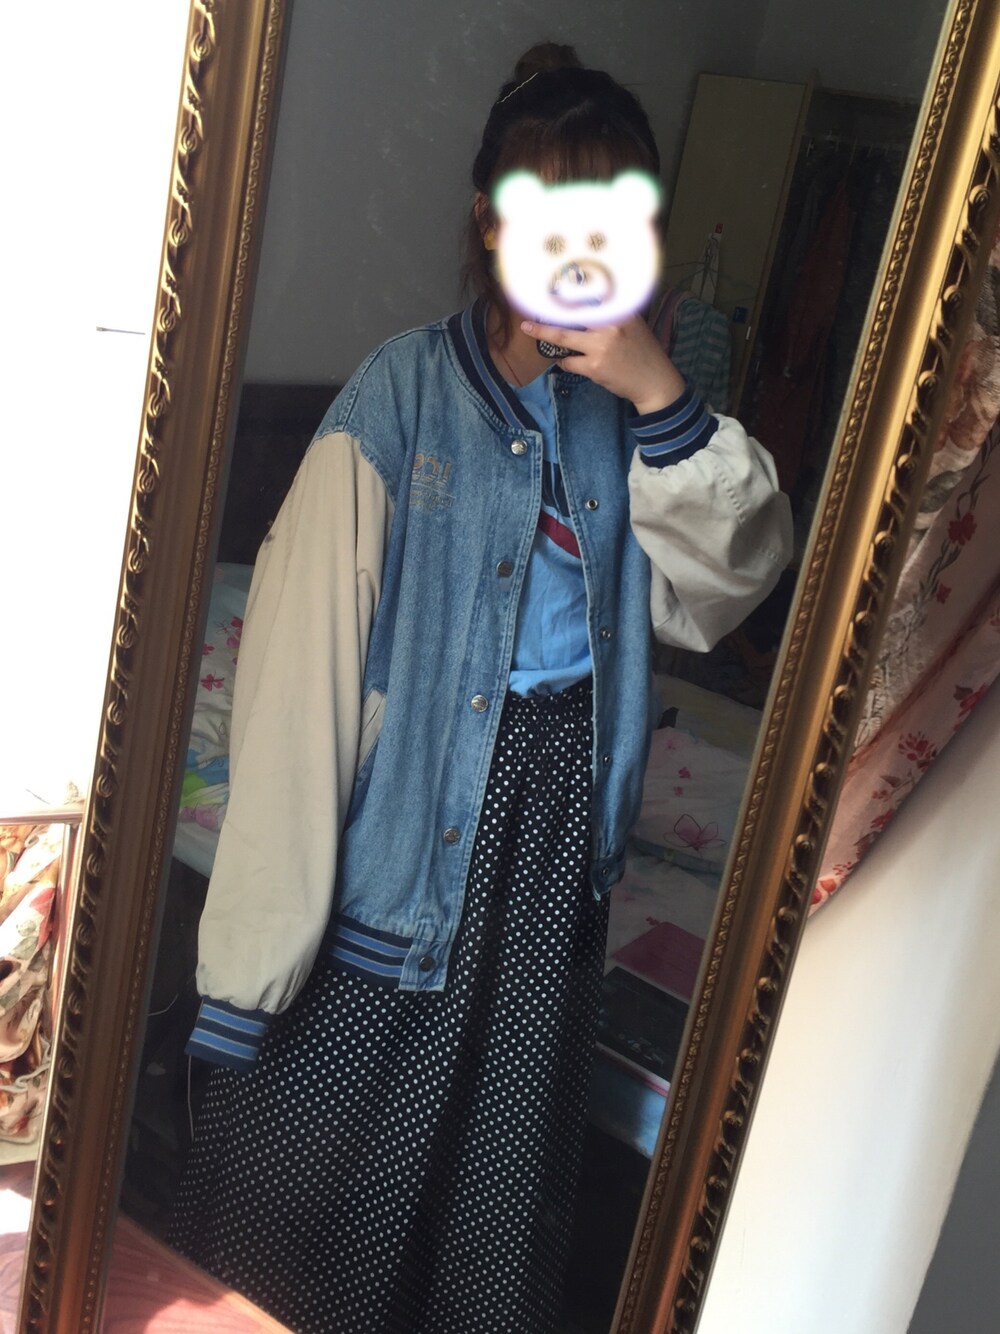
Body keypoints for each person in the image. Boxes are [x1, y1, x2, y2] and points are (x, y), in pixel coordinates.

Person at [167, 42, 792, 1334]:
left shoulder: (639, 420)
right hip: (399, 850)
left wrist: (658, 388)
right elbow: (295, 701)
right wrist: (246, 973)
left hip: (553, 856)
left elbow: (729, 579)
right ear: (490, 226)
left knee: (490, 1211)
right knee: (310, 1213)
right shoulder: (396, 400)